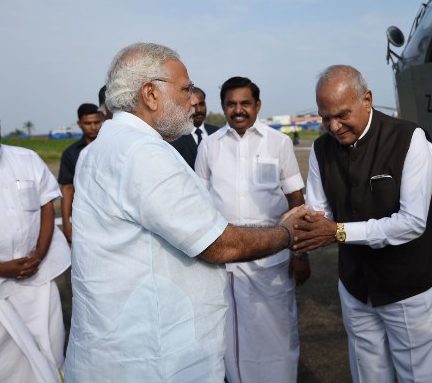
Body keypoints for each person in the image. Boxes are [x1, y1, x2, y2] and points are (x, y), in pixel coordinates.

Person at [64, 43, 306, 382]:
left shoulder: (106, 146)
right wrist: (287, 234)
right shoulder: (142, 153)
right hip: (152, 357)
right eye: (185, 89)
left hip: (122, 345)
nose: (193, 100)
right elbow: (220, 245)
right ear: (150, 94)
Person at [292, 65, 432, 383]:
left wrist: (338, 232)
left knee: (422, 376)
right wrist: (302, 225)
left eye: (342, 115)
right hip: (355, 287)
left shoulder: (409, 139)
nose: (334, 127)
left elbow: (412, 222)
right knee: (367, 374)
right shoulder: (321, 149)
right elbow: (320, 211)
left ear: (367, 99)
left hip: (409, 287)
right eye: (325, 118)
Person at [195, 76, 310, 383]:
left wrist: (301, 254)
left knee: (277, 333)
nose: (238, 110)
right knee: (230, 338)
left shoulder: (279, 143)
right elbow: (200, 203)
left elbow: (296, 201)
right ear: (223, 107)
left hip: (272, 259)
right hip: (225, 260)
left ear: (257, 105)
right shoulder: (209, 146)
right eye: (231, 104)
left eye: (245, 103)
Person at [0, 98, 71, 383]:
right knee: (4, 359)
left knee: (50, 348)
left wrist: (39, 253)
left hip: (37, 274)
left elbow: (47, 205)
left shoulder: (26, 158)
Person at [57, 103, 103, 243]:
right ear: (79, 124)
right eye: (88, 123)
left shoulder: (110, 146)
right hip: (84, 216)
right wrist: (66, 223)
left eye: (97, 122)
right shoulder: (71, 153)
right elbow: (67, 188)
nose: (93, 127)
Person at [170, 86, 219, 169]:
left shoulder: (217, 133)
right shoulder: (174, 138)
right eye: (193, 105)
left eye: (202, 104)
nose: (199, 110)